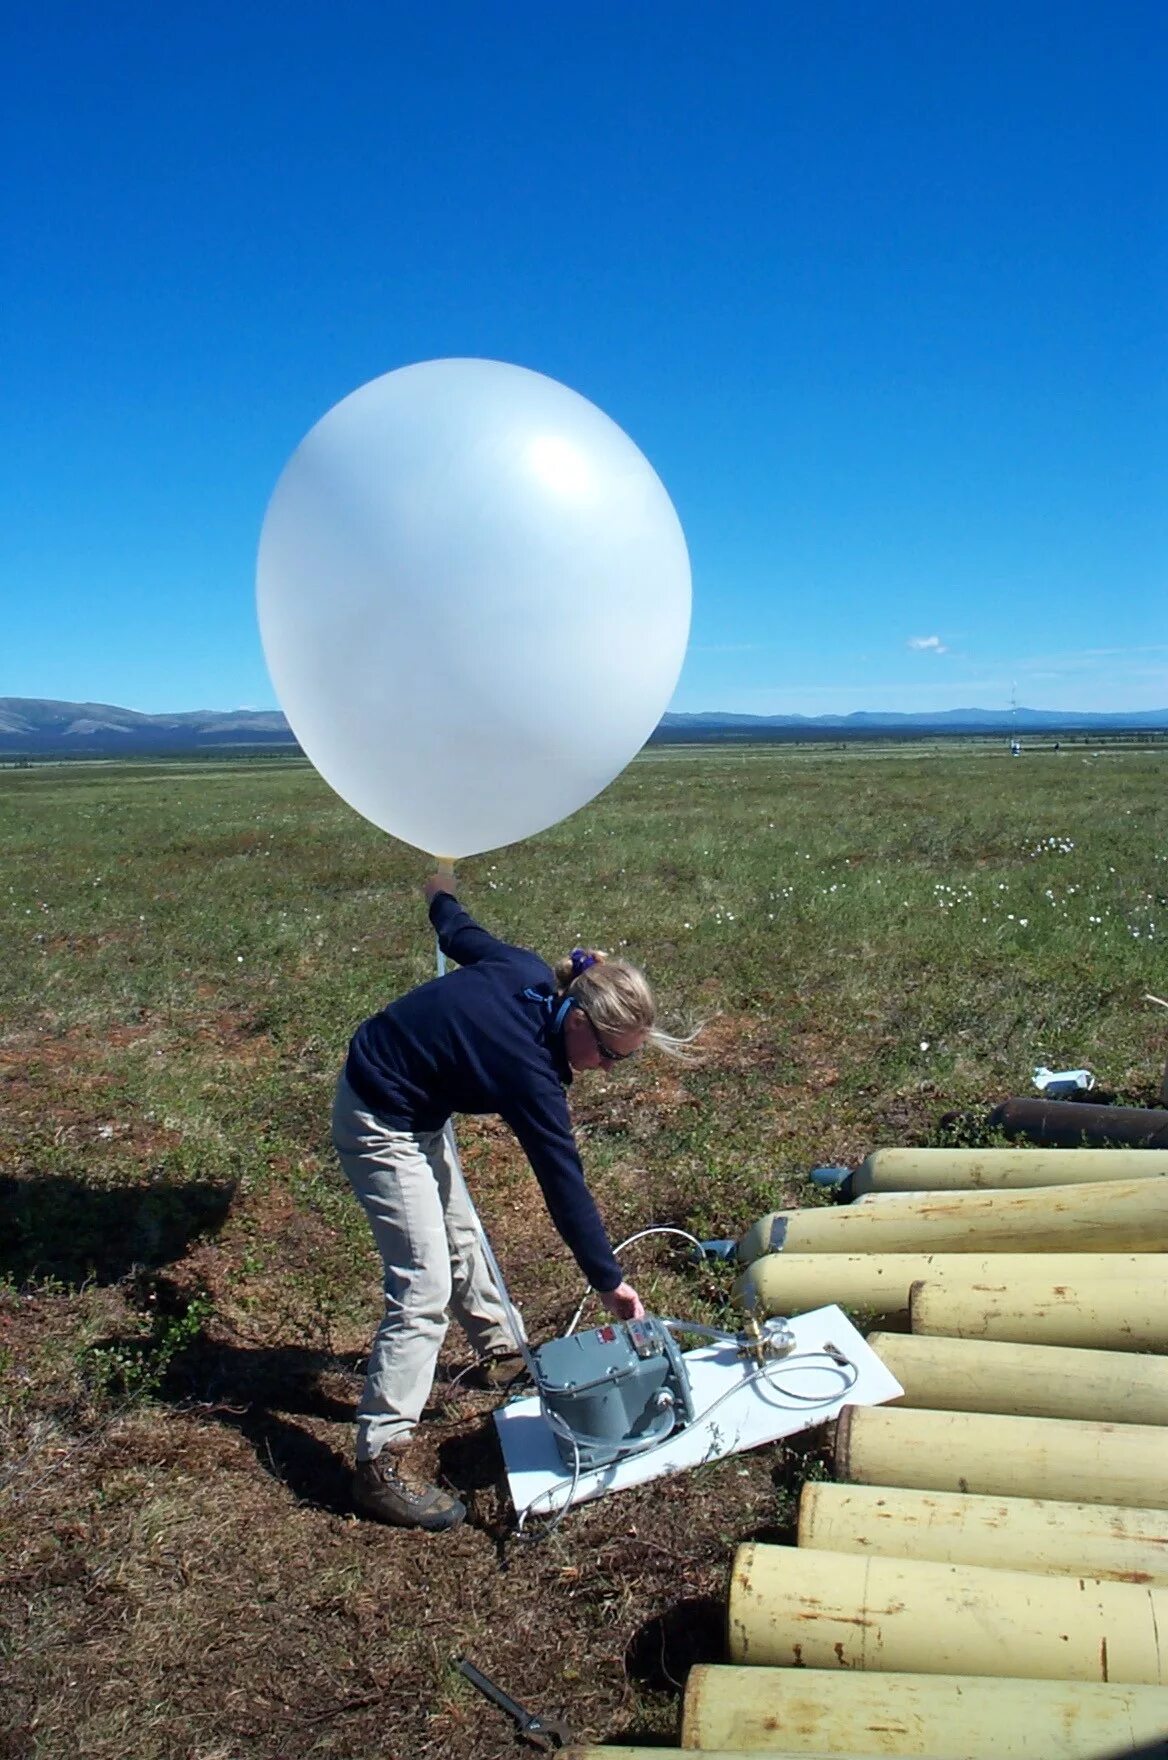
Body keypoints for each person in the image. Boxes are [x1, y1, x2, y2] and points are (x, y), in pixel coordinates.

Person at [332, 874, 677, 1532]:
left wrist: (437, 892)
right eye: (609, 1056)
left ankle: (500, 1350)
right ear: (579, 1018)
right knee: (423, 1284)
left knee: (459, 1233)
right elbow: (563, 1184)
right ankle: (378, 1461)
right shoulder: (527, 1066)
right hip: (378, 1118)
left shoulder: (524, 970)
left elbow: (462, 935)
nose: (607, 1071)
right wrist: (610, 1282)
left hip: (416, 1110)